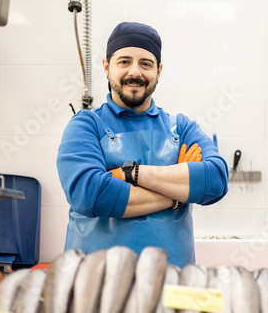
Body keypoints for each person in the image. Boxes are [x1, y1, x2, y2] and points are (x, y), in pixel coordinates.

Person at [56, 22, 229, 267]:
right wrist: (178, 194)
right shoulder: (85, 125)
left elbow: (216, 181)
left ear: (158, 70)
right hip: (95, 282)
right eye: (124, 61)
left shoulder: (181, 128)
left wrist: (130, 174)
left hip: (171, 281)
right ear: (107, 67)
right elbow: (89, 194)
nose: (135, 72)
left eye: (145, 64)